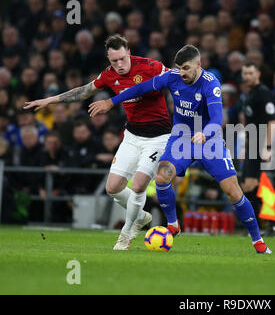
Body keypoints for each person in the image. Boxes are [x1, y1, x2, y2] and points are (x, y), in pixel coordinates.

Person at [89, 45, 272, 254]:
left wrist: (205, 133)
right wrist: (111, 102)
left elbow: (217, 119)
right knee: (161, 177)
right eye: (179, 68)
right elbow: (140, 88)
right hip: (181, 140)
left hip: (208, 142)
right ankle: (173, 224)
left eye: (186, 68)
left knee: (233, 192)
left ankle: (258, 240)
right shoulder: (172, 77)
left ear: (198, 65)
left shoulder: (211, 84)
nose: (182, 73)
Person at [23, 34, 172, 250]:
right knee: (113, 188)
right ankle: (139, 216)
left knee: (139, 184)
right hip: (132, 136)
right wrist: (49, 100)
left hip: (158, 138)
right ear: (109, 60)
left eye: (122, 58)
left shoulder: (151, 67)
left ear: (129, 52)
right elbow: (84, 91)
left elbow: (177, 81)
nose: (119, 65)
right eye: (114, 61)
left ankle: (126, 234)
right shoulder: (109, 75)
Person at [240, 61, 275, 228]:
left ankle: (271, 220)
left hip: (260, 141)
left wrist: (268, 147)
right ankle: (266, 222)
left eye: (250, 73)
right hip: (253, 141)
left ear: (258, 74)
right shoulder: (251, 94)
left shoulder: (263, 93)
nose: (247, 76)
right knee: (248, 185)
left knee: (250, 183)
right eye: (245, 73)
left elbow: (272, 121)